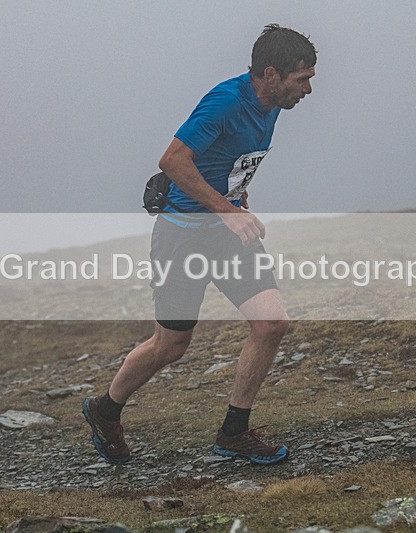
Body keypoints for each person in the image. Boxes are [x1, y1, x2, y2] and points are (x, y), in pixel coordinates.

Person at [83, 24, 316, 465]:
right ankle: (104, 409)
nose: (307, 89)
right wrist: (227, 211)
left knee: (271, 323)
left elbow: (229, 159)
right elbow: (172, 160)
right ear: (270, 74)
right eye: (301, 79)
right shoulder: (226, 103)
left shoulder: (273, 105)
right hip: (182, 238)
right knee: (170, 345)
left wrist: (236, 197)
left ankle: (234, 432)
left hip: (227, 236)